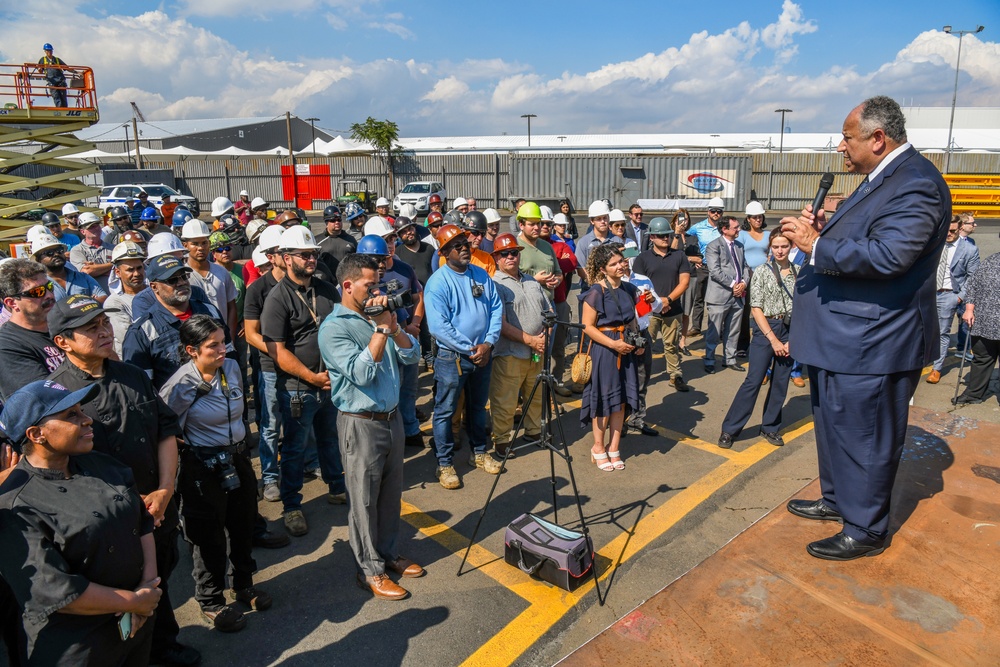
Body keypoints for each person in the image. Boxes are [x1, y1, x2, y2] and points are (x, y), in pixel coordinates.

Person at [781, 95, 951, 560]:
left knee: (866, 438)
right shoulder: (881, 179)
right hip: (843, 339)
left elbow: (890, 256)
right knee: (835, 429)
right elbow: (869, 238)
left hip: (874, 342)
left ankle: (866, 527)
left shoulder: (916, 184)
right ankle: (839, 500)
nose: (840, 146)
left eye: (847, 137)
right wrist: (825, 232)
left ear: (878, 138)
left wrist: (817, 243)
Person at [45, 295, 200, 666]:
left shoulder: (131, 375)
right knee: (121, 601)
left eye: (103, 324)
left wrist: (165, 490)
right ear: (62, 342)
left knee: (159, 579)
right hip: (111, 523)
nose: (103, 332)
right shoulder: (55, 395)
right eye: (90, 329)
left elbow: (165, 431)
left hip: (157, 509)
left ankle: (164, 645)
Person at [0, 380, 162, 665]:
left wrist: (147, 588)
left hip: (136, 624)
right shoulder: (14, 504)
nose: (87, 419)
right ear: (37, 434)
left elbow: (142, 522)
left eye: (80, 410)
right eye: (71, 415)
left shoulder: (102, 464)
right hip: (78, 645)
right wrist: (132, 602)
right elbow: (53, 589)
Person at [319, 254, 425, 601]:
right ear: (348, 286)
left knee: (390, 496)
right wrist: (381, 330)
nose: (376, 292)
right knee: (363, 501)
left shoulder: (379, 318)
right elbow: (362, 373)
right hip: (360, 424)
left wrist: (394, 328)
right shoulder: (334, 327)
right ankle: (370, 570)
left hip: (391, 419)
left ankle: (389, 553)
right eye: (369, 285)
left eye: (378, 284)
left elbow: (412, 358)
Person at [160, 316, 270, 633]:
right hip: (202, 465)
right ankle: (211, 601)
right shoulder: (179, 384)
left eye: (224, 342)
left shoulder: (231, 368)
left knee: (243, 523)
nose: (223, 350)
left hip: (236, 458)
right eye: (213, 346)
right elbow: (166, 432)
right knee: (207, 536)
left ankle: (243, 585)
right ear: (191, 350)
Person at [260, 226, 345, 536]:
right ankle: (292, 506)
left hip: (329, 384)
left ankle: (337, 487)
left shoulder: (325, 289)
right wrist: (312, 376)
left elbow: (342, 329)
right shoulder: (277, 298)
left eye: (314, 254)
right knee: (295, 449)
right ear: (286, 258)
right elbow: (277, 351)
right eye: (305, 254)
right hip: (299, 389)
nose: (312, 259)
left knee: (330, 440)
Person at [424, 224, 504, 489]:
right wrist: (471, 349)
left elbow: (495, 309)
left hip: (482, 353)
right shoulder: (438, 282)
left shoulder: (481, 275)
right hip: (452, 358)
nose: (464, 249)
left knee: (479, 407)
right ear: (445, 252)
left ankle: (479, 453)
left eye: (465, 244)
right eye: (457, 246)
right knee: (445, 411)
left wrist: (489, 343)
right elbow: (438, 327)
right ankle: (444, 463)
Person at [718, 228, 798, 449]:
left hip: (791, 329)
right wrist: (773, 340)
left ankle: (770, 427)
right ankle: (730, 429)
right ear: (770, 248)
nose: (780, 250)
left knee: (780, 382)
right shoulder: (762, 271)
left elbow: (804, 309)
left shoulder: (798, 272)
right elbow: (756, 308)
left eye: (784, 246)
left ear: (791, 247)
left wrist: (793, 340)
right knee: (753, 381)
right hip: (767, 329)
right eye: (776, 246)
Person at [122, 254, 230, 390]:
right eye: (172, 280)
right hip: (175, 409)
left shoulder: (209, 311)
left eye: (184, 276)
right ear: (154, 287)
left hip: (220, 401)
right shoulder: (142, 331)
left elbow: (230, 359)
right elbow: (141, 388)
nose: (181, 283)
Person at [363, 217, 426, 448]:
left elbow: (419, 298)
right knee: (390, 390)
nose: (389, 244)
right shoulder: (365, 277)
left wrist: (415, 324)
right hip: (381, 343)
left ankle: (410, 429)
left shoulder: (404, 268)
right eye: (384, 240)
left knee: (409, 389)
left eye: (391, 238)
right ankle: (393, 436)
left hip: (405, 336)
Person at [488, 233, 553, 457]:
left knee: (535, 395)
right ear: (496, 257)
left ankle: (534, 430)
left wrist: (545, 334)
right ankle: (502, 440)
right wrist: (531, 340)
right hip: (510, 353)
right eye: (504, 254)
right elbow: (501, 324)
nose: (510, 257)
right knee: (505, 400)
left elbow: (549, 310)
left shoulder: (532, 281)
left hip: (537, 351)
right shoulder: (495, 285)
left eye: (514, 253)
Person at [579, 244, 642, 471]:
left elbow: (633, 319)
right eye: (614, 264)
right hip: (605, 351)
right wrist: (613, 343)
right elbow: (587, 326)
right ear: (602, 269)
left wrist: (638, 341)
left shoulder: (629, 288)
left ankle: (614, 447)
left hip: (626, 348)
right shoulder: (596, 292)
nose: (620, 266)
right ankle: (598, 447)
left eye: (621, 262)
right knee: (604, 402)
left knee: (621, 400)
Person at [633, 216, 691, 393]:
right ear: (651, 238)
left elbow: (684, 282)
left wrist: (667, 300)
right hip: (648, 311)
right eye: (660, 235)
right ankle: (639, 376)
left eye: (667, 235)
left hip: (672, 309)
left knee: (671, 344)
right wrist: (656, 303)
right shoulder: (643, 258)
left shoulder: (679, 256)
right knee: (644, 345)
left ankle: (675, 375)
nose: (665, 238)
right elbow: (637, 285)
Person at [0, 259, 65, 402]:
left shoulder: (63, 325)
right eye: (37, 292)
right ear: (12, 303)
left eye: (49, 286)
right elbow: (42, 398)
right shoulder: (7, 346)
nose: (49, 295)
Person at [927, 218, 980, 384]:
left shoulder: (969, 250)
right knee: (922, 330)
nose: (949, 234)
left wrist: (959, 297)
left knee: (942, 332)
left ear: (960, 229)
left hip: (948, 295)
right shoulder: (934, 244)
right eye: (946, 231)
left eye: (953, 231)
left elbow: (973, 277)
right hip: (927, 293)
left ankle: (936, 368)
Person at [621, 245, 664, 436]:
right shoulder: (611, 283)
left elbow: (658, 306)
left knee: (642, 377)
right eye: (619, 260)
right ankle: (620, 421)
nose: (623, 263)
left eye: (625, 259)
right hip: (621, 335)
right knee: (621, 379)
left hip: (642, 332)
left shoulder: (643, 280)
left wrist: (652, 299)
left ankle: (637, 418)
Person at [953, 249, 1000, 405]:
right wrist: (969, 310)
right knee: (981, 359)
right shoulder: (990, 262)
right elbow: (972, 287)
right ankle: (974, 394)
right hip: (985, 323)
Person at [703, 216, 748, 373]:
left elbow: (745, 267)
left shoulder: (740, 246)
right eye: (735, 227)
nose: (738, 230)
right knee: (714, 331)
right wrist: (733, 284)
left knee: (733, 330)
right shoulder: (713, 246)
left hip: (737, 296)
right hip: (719, 296)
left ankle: (730, 359)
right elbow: (715, 271)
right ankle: (709, 359)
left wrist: (743, 283)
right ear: (724, 229)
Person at [182, 219, 239, 341]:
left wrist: (230, 339)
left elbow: (232, 308)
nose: (201, 248)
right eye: (195, 244)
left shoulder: (221, 272)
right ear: (185, 245)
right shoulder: (182, 276)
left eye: (204, 243)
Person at [31, 232, 107, 302]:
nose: (56, 254)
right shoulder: (37, 286)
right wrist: (89, 302)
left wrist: (87, 306)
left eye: (59, 250)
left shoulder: (82, 277)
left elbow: (103, 297)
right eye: (49, 253)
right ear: (38, 260)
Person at [736, 201, 770, 357]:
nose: (758, 220)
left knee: (764, 311)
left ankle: (764, 341)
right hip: (748, 277)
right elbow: (738, 256)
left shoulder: (769, 235)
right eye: (754, 217)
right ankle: (742, 345)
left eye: (760, 217)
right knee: (745, 312)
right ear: (748, 219)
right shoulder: (741, 235)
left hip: (765, 277)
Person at [687, 197, 725, 336]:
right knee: (699, 297)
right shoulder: (698, 227)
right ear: (708, 212)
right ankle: (696, 326)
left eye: (719, 211)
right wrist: (694, 257)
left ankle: (718, 328)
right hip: (704, 267)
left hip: (721, 268)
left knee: (719, 299)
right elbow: (685, 236)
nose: (716, 214)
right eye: (713, 211)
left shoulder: (725, 227)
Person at [104, 241, 147, 359]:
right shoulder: (113, 303)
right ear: (118, 272)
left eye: (139, 268)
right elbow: (129, 337)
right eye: (130, 270)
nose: (137, 274)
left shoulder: (155, 292)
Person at [669, 209, 701, 355]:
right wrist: (688, 258)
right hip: (673, 277)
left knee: (686, 311)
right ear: (675, 220)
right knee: (673, 310)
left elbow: (699, 259)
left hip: (690, 276)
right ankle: (672, 341)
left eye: (686, 219)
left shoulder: (692, 238)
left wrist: (684, 258)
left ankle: (682, 342)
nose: (683, 222)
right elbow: (670, 254)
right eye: (680, 219)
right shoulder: (669, 236)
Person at [575, 200, 624, 292]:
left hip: (614, 290)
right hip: (590, 289)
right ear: (592, 221)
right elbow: (581, 269)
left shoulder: (617, 241)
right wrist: (597, 285)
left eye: (605, 218)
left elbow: (622, 266)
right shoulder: (583, 242)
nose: (603, 221)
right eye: (598, 219)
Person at [69, 211, 115, 293]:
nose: (96, 228)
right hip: (94, 296)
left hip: (115, 294)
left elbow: (122, 269)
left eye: (97, 225)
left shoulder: (113, 248)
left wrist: (97, 268)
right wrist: (113, 264)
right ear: (82, 231)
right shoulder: (77, 250)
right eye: (91, 227)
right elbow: (87, 272)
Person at [317, 205, 357, 272]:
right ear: (326, 223)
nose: (337, 222)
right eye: (333, 220)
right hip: (325, 281)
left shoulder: (351, 240)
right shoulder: (317, 241)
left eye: (339, 220)